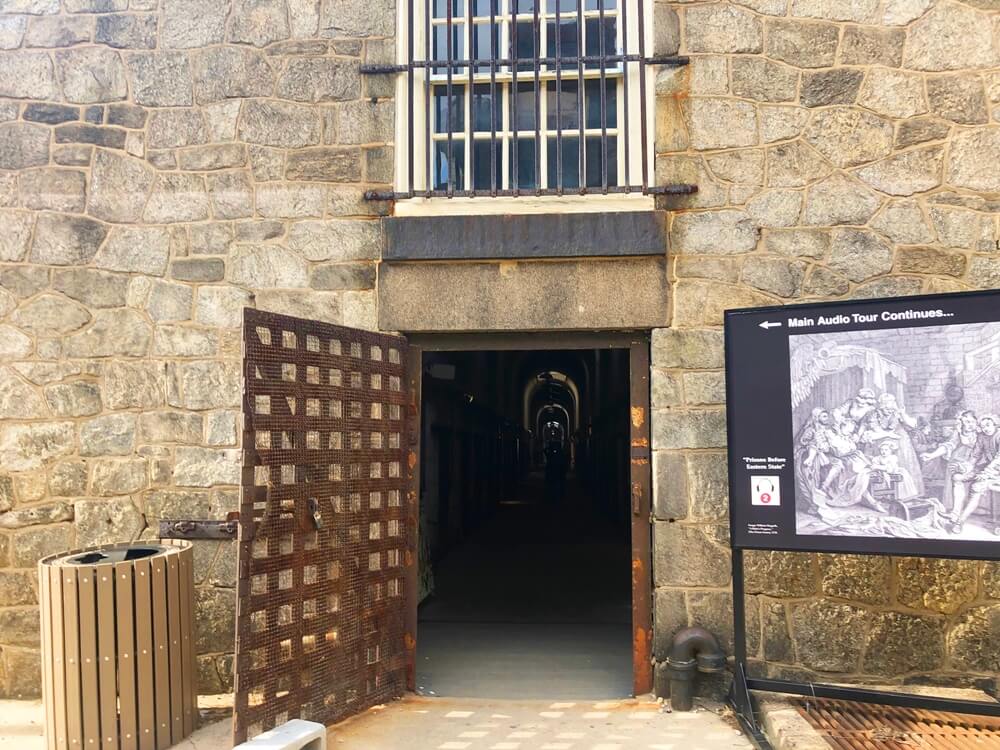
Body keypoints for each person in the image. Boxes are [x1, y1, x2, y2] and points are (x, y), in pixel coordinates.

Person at [859, 393, 923, 499]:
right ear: (881, 407)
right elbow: (872, 429)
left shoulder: (896, 413)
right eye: (887, 409)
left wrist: (902, 414)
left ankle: (904, 494)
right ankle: (882, 495)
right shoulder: (872, 414)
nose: (890, 411)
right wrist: (888, 434)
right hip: (879, 443)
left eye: (891, 409)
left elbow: (912, 425)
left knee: (903, 445)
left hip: (898, 444)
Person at [921, 410, 980, 517]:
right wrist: (932, 455)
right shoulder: (957, 434)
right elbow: (948, 446)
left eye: (972, 422)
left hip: (973, 463)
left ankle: (971, 510)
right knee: (955, 482)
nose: (970, 425)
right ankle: (954, 511)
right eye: (966, 422)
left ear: (976, 422)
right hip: (956, 463)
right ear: (961, 423)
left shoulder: (980, 435)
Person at [950, 415, 1000, 533]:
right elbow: (975, 455)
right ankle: (955, 513)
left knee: (976, 487)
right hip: (988, 467)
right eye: (982, 426)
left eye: (988, 425)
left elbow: (999, 458)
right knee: (957, 477)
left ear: (995, 424)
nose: (985, 429)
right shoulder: (982, 437)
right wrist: (968, 467)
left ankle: (959, 522)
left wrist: (987, 473)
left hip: (995, 470)